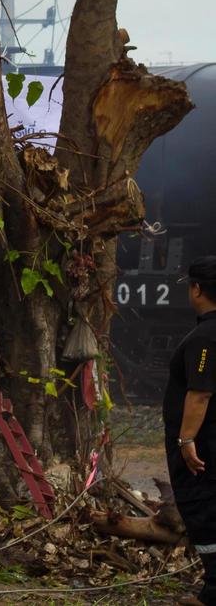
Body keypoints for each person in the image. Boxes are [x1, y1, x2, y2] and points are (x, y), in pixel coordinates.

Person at [167, 255, 216, 606]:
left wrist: (186, 440)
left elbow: (199, 392)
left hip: (205, 446)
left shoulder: (204, 337)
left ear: (197, 289)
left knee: (203, 511)